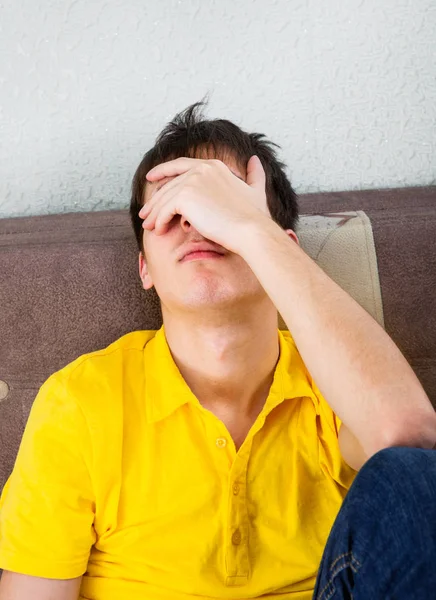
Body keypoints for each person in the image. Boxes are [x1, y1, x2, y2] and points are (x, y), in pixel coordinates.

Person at [1, 99, 435, 600]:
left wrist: (252, 231)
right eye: (171, 209)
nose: (195, 223)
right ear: (145, 267)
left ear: (282, 249)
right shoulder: (79, 402)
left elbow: (407, 443)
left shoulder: (337, 380)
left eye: (221, 205)